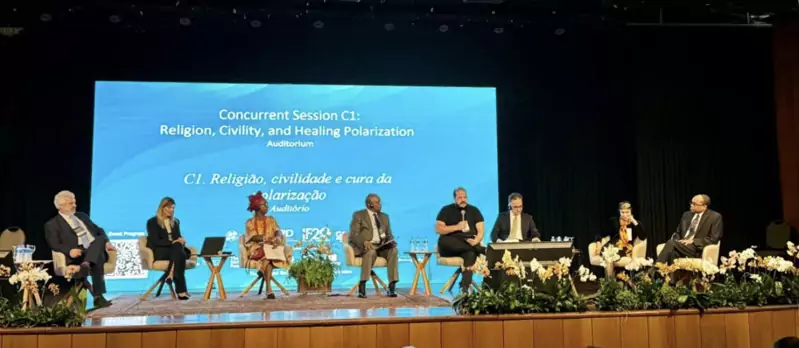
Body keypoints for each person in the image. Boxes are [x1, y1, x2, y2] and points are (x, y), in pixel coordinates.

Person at [44, 190, 116, 308]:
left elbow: (99, 230)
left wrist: (107, 242)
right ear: (60, 206)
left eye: (74, 202)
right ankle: (98, 297)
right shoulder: (52, 224)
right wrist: (69, 251)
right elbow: (54, 244)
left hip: (93, 248)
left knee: (99, 240)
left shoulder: (82, 216)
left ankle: (86, 264)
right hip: (78, 254)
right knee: (96, 257)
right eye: (70, 203)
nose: (74, 205)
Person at [436, 187, 487, 293]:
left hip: (469, 244)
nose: (463, 200)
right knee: (445, 241)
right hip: (450, 245)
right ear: (454, 198)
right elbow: (438, 229)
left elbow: (481, 231)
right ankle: (480, 249)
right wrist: (457, 227)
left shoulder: (474, 210)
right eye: (460, 198)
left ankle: (464, 288)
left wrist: (476, 241)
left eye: (465, 197)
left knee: (470, 254)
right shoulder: (446, 210)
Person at [348, 193, 399, 298]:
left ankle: (392, 286)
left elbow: (388, 234)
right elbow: (354, 234)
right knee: (370, 252)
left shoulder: (384, 217)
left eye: (380, 202)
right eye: (377, 202)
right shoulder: (359, 215)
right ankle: (362, 285)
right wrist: (364, 242)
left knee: (393, 251)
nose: (380, 204)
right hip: (367, 246)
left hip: (381, 246)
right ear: (369, 205)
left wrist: (391, 241)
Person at [244, 191, 292, 299]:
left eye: (267, 204)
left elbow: (278, 230)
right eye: (264, 204)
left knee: (268, 259)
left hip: (270, 250)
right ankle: (268, 289)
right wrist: (268, 239)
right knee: (268, 254)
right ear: (257, 206)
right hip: (256, 249)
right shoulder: (250, 222)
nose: (267, 206)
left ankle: (264, 277)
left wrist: (278, 237)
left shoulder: (271, 219)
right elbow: (253, 237)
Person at [657, 194, 723, 264]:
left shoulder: (715, 217)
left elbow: (713, 239)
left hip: (697, 248)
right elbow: (678, 232)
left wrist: (693, 241)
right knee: (672, 252)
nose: (691, 205)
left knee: (671, 243)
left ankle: (655, 268)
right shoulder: (686, 215)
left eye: (694, 204)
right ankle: (666, 270)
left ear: (704, 206)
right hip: (682, 245)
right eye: (691, 203)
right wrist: (677, 240)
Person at [146, 197, 191, 300]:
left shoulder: (175, 221)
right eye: (169, 207)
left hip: (175, 250)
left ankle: (171, 274)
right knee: (179, 252)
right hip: (160, 251)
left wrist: (181, 240)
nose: (171, 210)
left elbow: (178, 237)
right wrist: (173, 242)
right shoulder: (152, 222)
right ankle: (181, 289)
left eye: (173, 208)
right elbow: (155, 240)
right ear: (162, 208)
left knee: (178, 249)